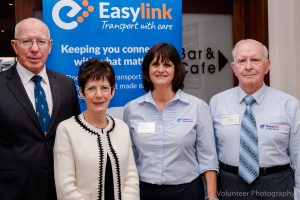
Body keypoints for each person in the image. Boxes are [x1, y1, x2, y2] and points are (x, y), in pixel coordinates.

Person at [123, 42, 219, 200]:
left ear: (176, 70)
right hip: (143, 191)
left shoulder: (197, 107)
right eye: (155, 64)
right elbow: (129, 156)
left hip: (186, 191)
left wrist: (212, 196)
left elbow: (208, 157)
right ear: (148, 70)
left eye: (167, 65)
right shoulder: (132, 109)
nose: (160, 70)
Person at [209, 39, 300, 200]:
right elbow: (209, 154)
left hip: (276, 185)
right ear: (234, 67)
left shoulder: (289, 105)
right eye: (242, 60)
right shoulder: (217, 102)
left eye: (255, 60)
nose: (248, 66)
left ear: (267, 65)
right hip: (229, 186)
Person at [0, 18, 80, 200]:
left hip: (59, 189)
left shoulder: (66, 85)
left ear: (50, 46)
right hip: (11, 190)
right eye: (27, 41)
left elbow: (75, 134)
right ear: (14, 45)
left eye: (41, 42)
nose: (35, 49)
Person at [54, 59, 140, 200]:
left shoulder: (122, 128)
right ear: (82, 92)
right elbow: (65, 188)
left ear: (112, 91)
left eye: (104, 88)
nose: (99, 95)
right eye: (91, 88)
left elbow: (131, 177)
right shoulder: (66, 130)